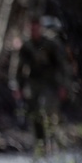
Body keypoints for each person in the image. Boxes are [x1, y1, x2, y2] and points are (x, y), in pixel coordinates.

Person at [9, 16, 70, 151]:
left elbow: (63, 66)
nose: (34, 31)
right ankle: (40, 145)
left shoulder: (51, 44)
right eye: (31, 28)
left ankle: (54, 142)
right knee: (35, 114)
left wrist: (64, 86)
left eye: (36, 28)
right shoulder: (26, 46)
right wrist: (17, 87)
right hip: (33, 83)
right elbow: (18, 68)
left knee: (48, 111)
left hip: (50, 83)